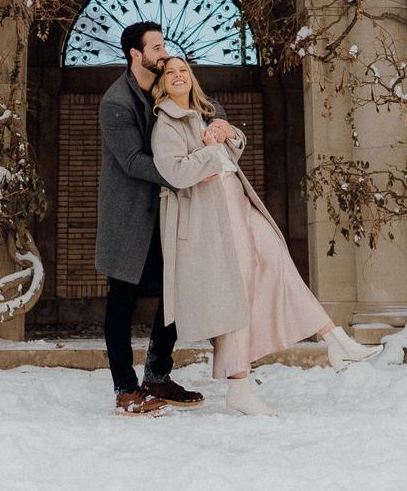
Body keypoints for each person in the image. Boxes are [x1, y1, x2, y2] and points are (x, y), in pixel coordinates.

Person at [150, 56, 378, 415]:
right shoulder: (166, 123)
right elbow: (173, 171)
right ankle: (238, 386)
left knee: (278, 259)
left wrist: (227, 132)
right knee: (238, 294)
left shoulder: (204, 112)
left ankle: (334, 338)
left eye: (183, 71)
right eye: (170, 73)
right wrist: (209, 152)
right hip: (212, 221)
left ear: (192, 79)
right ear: (162, 84)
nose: (178, 76)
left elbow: (233, 149)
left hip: (238, 205)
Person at [95, 21, 242, 416]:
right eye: (157, 48)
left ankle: (158, 374)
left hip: (172, 210)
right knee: (121, 301)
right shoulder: (116, 102)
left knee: (177, 288)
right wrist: (184, 171)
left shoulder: (166, 82)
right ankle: (126, 388)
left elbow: (201, 104)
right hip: (129, 214)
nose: (164, 54)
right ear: (136, 55)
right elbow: (131, 160)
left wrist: (218, 124)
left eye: (164, 46)